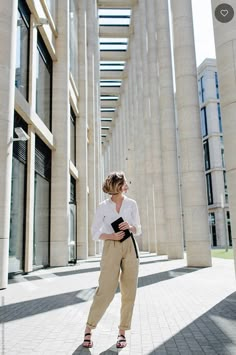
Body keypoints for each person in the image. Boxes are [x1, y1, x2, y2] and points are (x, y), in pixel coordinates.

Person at [82, 171, 141, 349]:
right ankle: (88, 329)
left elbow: (138, 228)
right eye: (124, 182)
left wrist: (130, 227)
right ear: (118, 185)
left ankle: (122, 332)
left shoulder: (131, 204)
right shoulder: (103, 206)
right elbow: (94, 233)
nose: (127, 184)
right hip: (111, 246)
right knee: (105, 290)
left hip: (130, 246)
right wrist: (112, 236)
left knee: (129, 291)